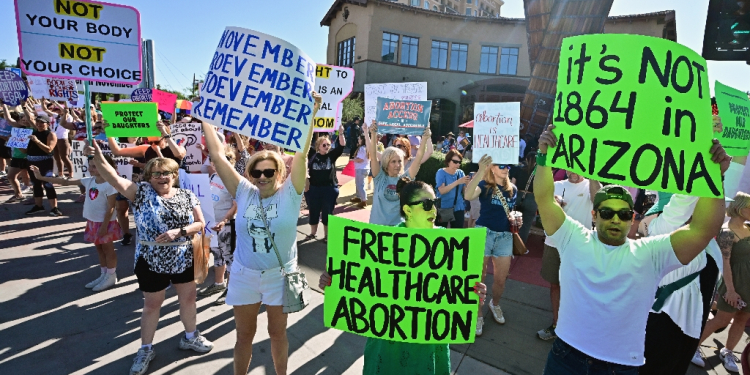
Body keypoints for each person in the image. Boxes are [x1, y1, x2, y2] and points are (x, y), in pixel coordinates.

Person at [534, 124, 729, 374]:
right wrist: (543, 156)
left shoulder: (650, 253)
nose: (615, 219)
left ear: (632, 219)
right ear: (594, 215)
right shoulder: (572, 237)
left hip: (620, 366)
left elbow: (701, 230)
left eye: (623, 214)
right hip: (565, 358)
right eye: (607, 212)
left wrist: (715, 176)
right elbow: (543, 198)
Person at [202, 92, 321, 375]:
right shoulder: (243, 191)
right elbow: (218, 156)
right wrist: (206, 112)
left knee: (277, 334)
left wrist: (312, 113)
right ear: (251, 173)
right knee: (243, 336)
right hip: (244, 275)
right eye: (257, 172)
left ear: (279, 173)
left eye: (269, 171)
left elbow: (302, 154)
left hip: (279, 277)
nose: (263, 177)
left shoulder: (291, 194)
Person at [319, 179, 488, 375]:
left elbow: (457, 295)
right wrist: (333, 282)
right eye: (426, 204)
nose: (433, 210)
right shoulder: (382, 243)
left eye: (435, 203)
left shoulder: (451, 246)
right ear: (407, 210)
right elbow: (359, 282)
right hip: (388, 348)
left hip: (429, 347)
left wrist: (475, 297)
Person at [86, 142, 213, 375]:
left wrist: (180, 231)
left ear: (175, 175)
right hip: (150, 259)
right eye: (156, 173)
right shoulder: (141, 193)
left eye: (167, 173)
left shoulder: (187, 194)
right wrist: (98, 156)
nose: (162, 177)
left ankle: (190, 337)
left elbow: (200, 224)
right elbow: (114, 178)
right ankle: (145, 349)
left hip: (183, 257)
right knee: (152, 304)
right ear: (149, 176)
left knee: (188, 299)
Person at [30, 154, 122, 291]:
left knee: (108, 249)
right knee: (99, 248)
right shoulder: (89, 180)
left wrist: (104, 226)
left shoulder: (110, 185)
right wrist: (41, 177)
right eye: (89, 166)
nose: (90, 169)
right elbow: (64, 182)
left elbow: (111, 208)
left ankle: (111, 275)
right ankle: (104, 273)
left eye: (94, 166)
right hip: (93, 222)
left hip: (105, 223)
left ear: (105, 167)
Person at [537, 171, 600, 341]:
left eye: (577, 168)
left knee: (577, 287)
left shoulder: (590, 186)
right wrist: (553, 206)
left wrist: (592, 175)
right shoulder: (557, 186)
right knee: (555, 285)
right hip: (553, 243)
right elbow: (542, 209)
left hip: (578, 246)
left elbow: (598, 202)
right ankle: (557, 324)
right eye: (569, 167)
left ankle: (574, 328)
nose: (572, 171)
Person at [464, 155, 521, 335]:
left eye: (508, 166)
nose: (506, 169)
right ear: (493, 168)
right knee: (478, 278)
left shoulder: (513, 189)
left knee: (500, 278)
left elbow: (510, 211)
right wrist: (481, 170)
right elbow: (467, 194)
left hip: (504, 237)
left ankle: (494, 304)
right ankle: (478, 314)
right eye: (501, 165)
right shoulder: (484, 186)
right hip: (484, 234)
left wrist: (516, 217)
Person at [694, 192, 750, 373]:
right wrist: (731, 290)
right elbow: (725, 263)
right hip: (733, 282)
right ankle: (693, 347)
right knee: (722, 319)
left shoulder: (749, 228)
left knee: (742, 319)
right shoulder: (727, 232)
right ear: (740, 208)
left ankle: (728, 351)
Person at [366, 121, 431, 226]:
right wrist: (373, 134)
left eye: (400, 161)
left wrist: (424, 138)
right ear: (387, 163)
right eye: (393, 162)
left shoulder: (405, 179)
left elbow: (418, 158)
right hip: (377, 230)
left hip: (398, 231)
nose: (398, 165)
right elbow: (373, 155)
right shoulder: (379, 176)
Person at [197, 147, 239, 306]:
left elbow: (236, 205)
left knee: (229, 258)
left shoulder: (233, 180)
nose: (213, 164)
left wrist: (224, 220)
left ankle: (231, 289)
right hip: (211, 223)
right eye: (213, 161)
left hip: (225, 225)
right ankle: (218, 284)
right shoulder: (213, 175)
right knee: (217, 254)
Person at [305, 125, 346, 241]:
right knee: (313, 211)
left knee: (328, 212)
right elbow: (305, 144)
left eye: (328, 144)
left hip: (329, 189)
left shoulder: (331, 156)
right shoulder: (312, 154)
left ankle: (327, 235)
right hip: (314, 189)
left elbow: (342, 145)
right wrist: (309, 130)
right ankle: (313, 233)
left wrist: (341, 133)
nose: (327, 147)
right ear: (318, 146)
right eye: (324, 145)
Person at [24, 113, 61, 216]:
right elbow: (25, 151)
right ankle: (38, 206)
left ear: (48, 124)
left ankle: (54, 208)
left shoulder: (50, 134)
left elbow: (49, 149)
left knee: (48, 184)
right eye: (38, 122)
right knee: (35, 184)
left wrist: (37, 141)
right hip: (31, 161)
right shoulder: (33, 133)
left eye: (42, 122)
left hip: (45, 162)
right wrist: (18, 144)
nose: (39, 124)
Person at [435, 149, 469, 228]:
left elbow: (466, 194)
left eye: (459, 162)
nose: (457, 164)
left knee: (457, 234)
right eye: (455, 162)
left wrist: (468, 184)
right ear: (448, 161)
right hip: (443, 207)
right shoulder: (441, 172)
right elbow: (442, 190)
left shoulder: (460, 173)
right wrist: (457, 182)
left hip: (458, 207)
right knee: (441, 233)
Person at [510, 151, 538, 243]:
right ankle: (520, 246)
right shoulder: (539, 173)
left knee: (513, 221)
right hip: (532, 198)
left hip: (518, 196)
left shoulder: (518, 169)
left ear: (526, 159)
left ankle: (509, 242)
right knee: (526, 224)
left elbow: (512, 184)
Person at [351, 135, 369, 208]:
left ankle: (364, 200)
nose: (358, 140)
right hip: (364, 168)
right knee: (359, 183)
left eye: (359, 139)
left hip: (361, 169)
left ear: (362, 140)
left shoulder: (362, 148)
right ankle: (359, 197)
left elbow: (360, 159)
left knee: (360, 185)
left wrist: (352, 160)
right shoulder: (367, 148)